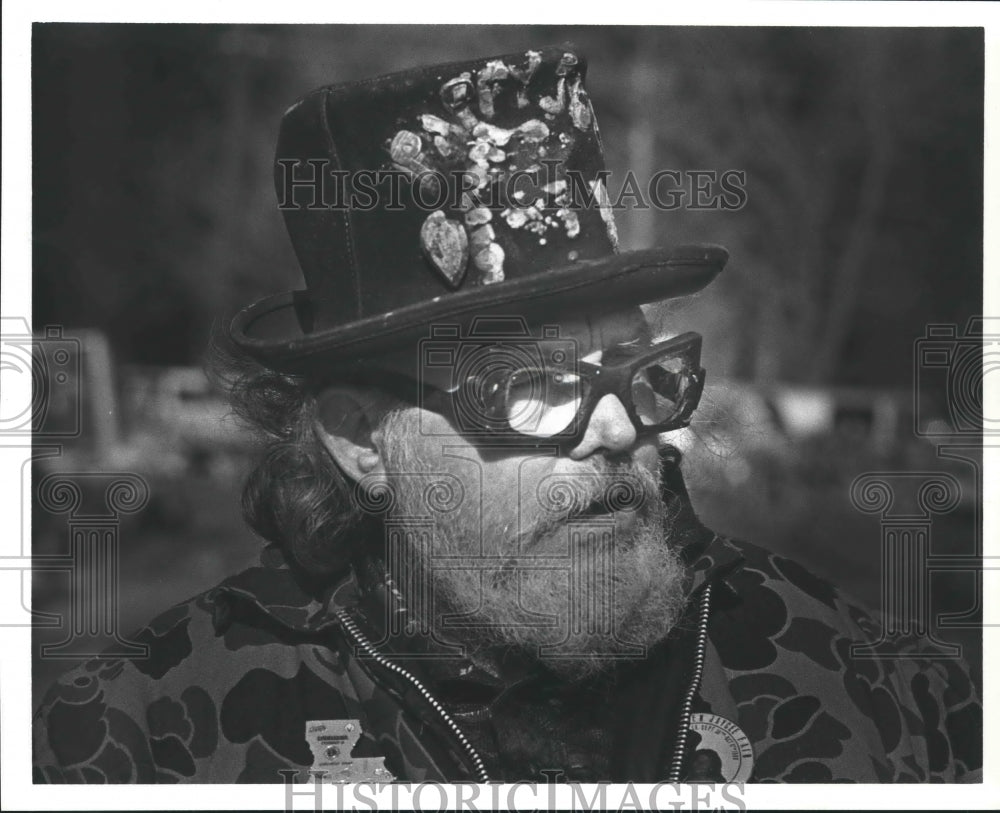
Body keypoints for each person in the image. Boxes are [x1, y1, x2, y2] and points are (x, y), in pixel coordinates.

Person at [33, 44, 981, 784]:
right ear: (364, 439)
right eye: (529, 389)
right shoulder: (138, 739)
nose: (617, 430)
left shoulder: (874, 686)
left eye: (639, 368)